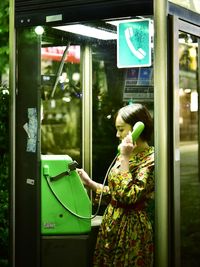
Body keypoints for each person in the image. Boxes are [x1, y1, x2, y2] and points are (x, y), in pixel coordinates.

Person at [77, 103, 154, 267]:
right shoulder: (127, 154)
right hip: (112, 224)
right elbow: (116, 193)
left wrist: (125, 157)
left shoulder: (151, 160)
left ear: (137, 129)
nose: (117, 134)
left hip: (130, 230)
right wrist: (90, 184)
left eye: (121, 129)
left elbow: (128, 196)